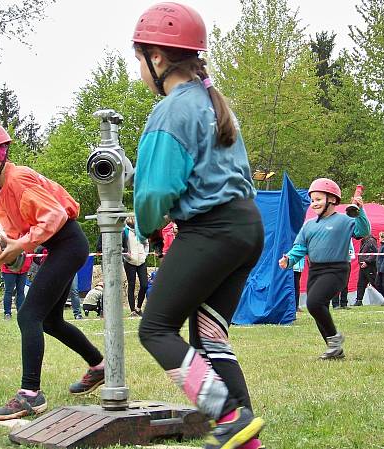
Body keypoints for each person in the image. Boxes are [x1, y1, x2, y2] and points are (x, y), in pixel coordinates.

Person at [131, 4, 266, 447]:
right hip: (246, 226)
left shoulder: (171, 112)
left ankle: (226, 415)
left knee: (154, 328)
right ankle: (245, 436)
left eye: (139, 61)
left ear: (157, 58)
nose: (140, 72)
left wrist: (146, 228)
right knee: (209, 336)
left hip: (211, 231)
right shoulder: (213, 103)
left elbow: (153, 195)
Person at [0, 120, 104, 421]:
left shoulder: (17, 180)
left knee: (28, 314)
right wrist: (1, 247)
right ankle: (99, 366)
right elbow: (9, 229)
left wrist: (20, 245)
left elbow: (54, 216)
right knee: (49, 321)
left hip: (68, 243)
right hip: (60, 246)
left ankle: (30, 395)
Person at [280, 178, 370, 358]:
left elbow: (363, 231)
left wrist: (360, 212)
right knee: (316, 307)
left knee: (314, 303)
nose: (314, 204)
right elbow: (300, 247)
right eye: (313, 200)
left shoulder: (345, 220)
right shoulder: (309, 225)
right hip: (315, 270)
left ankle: (334, 341)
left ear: (332, 199)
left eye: (318, 199)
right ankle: (335, 349)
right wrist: (289, 259)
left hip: (337, 270)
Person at [123, 216, 148, 316]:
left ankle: (138, 307)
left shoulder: (141, 231)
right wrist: (126, 255)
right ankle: (132, 310)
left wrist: (145, 255)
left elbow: (146, 244)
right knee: (131, 285)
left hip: (141, 261)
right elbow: (121, 246)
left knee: (144, 285)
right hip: (130, 262)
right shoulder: (124, 231)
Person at [1, 252, 32, 320]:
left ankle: (21, 314)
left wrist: (29, 262)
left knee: (21, 291)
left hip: (23, 269)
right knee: (9, 291)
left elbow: (30, 251)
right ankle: (7, 314)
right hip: (9, 269)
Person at [355, 234, 379, 307]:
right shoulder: (364, 241)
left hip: (370, 266)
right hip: (363, 266)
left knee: (375, 282)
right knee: (360, 284)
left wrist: (367, 262)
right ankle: (359, 301)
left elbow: (375, 253)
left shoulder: (371, 240)